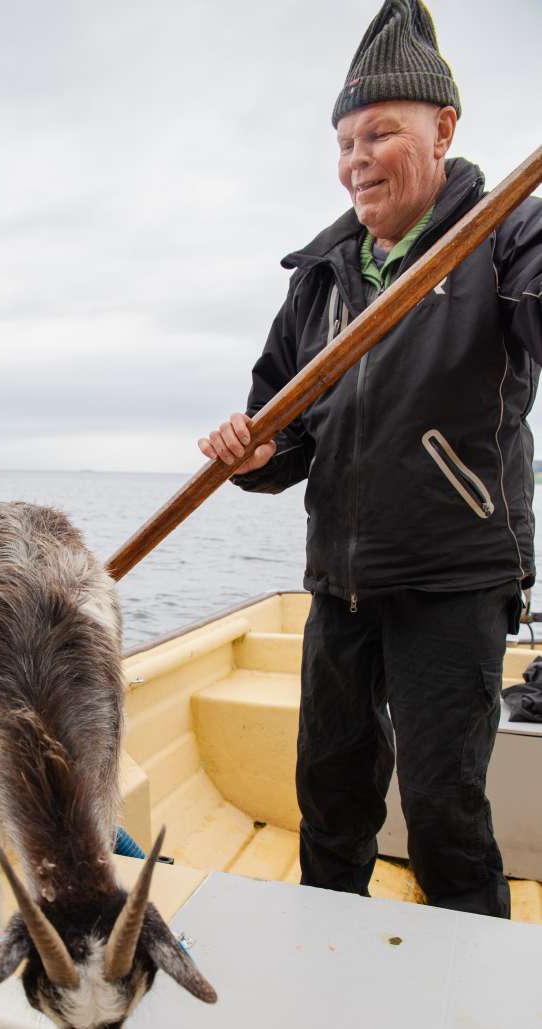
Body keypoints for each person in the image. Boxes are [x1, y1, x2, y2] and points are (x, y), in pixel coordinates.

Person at [199, 0, 542, 918]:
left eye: (380, 133)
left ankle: (475, 992)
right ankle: (329, 963)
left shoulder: (507, 232)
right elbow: (286, 427)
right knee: (332, 794)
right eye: (345, 140)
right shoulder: (324, 274)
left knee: (443, 811)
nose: (356, 160)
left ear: (444, 130)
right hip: (340, 580)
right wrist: (254, 451)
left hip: (456, 574)